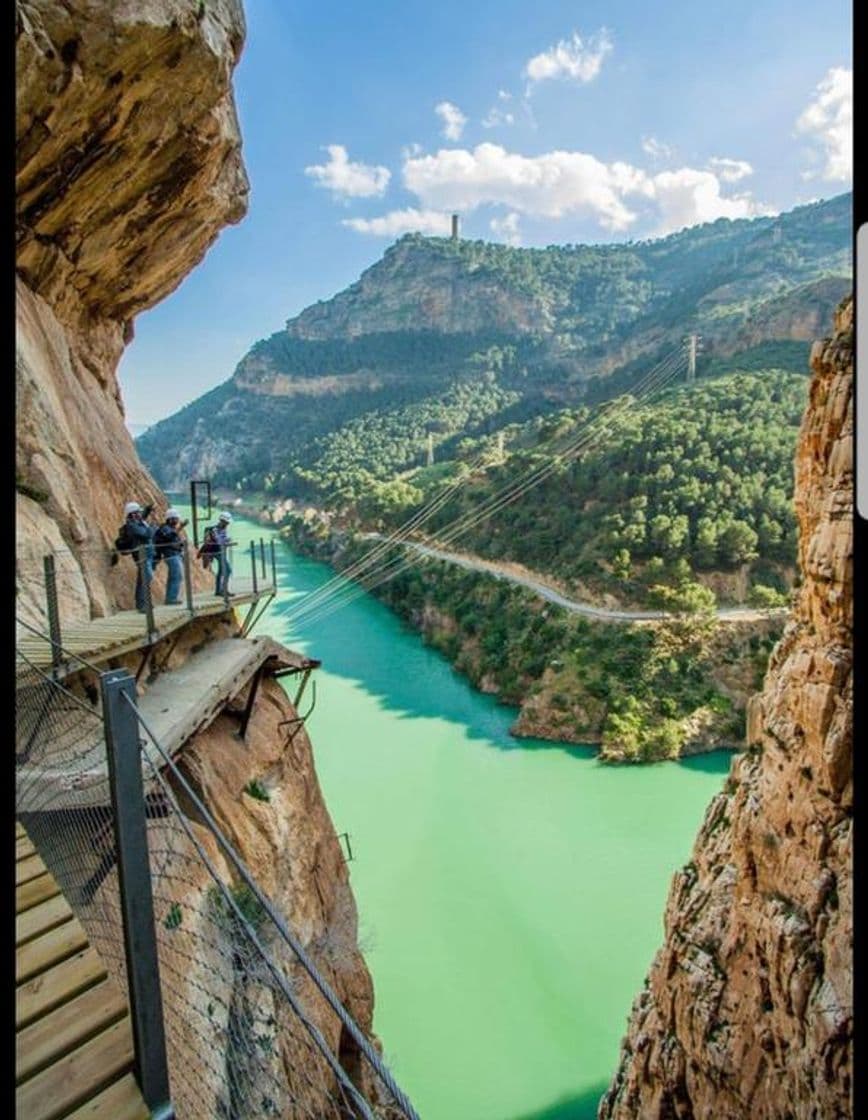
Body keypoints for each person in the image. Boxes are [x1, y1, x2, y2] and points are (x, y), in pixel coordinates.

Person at [115, 501, 156, 612]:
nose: (139, 514)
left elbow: (142, 518)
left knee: (143, 579)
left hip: (146, 554)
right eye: (137, 512)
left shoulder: (135, 523)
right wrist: (151, 527)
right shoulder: (132, 526)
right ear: (132, 514)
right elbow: (146, 534)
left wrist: (147, 510)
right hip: (141, 555)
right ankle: (142, 604)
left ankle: (142, 604)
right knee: (146, 578)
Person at [153, 508, 189, 605]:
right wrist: (180, 527)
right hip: (171, 555)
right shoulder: (165, 528)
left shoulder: (171, 529)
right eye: (175, 519)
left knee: (174, 576)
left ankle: (171, 597)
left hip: (175, 554)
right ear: (170, 519)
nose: (177, 521)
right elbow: (169, 537)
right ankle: (171, 598)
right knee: (176, 576)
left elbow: (175, 540)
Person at [212, 511, 234, 597]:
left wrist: (227, 540)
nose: (228, 524)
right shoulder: (215, 530)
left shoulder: (223, 529)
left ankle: (219, 590)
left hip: (222, 551)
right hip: (218, 552)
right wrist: (226, 541)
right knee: (227, 570)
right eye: (227, 522)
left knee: (221, 570)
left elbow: (223, 539)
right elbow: (218, 541)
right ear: (223, 521)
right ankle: (223, 590)